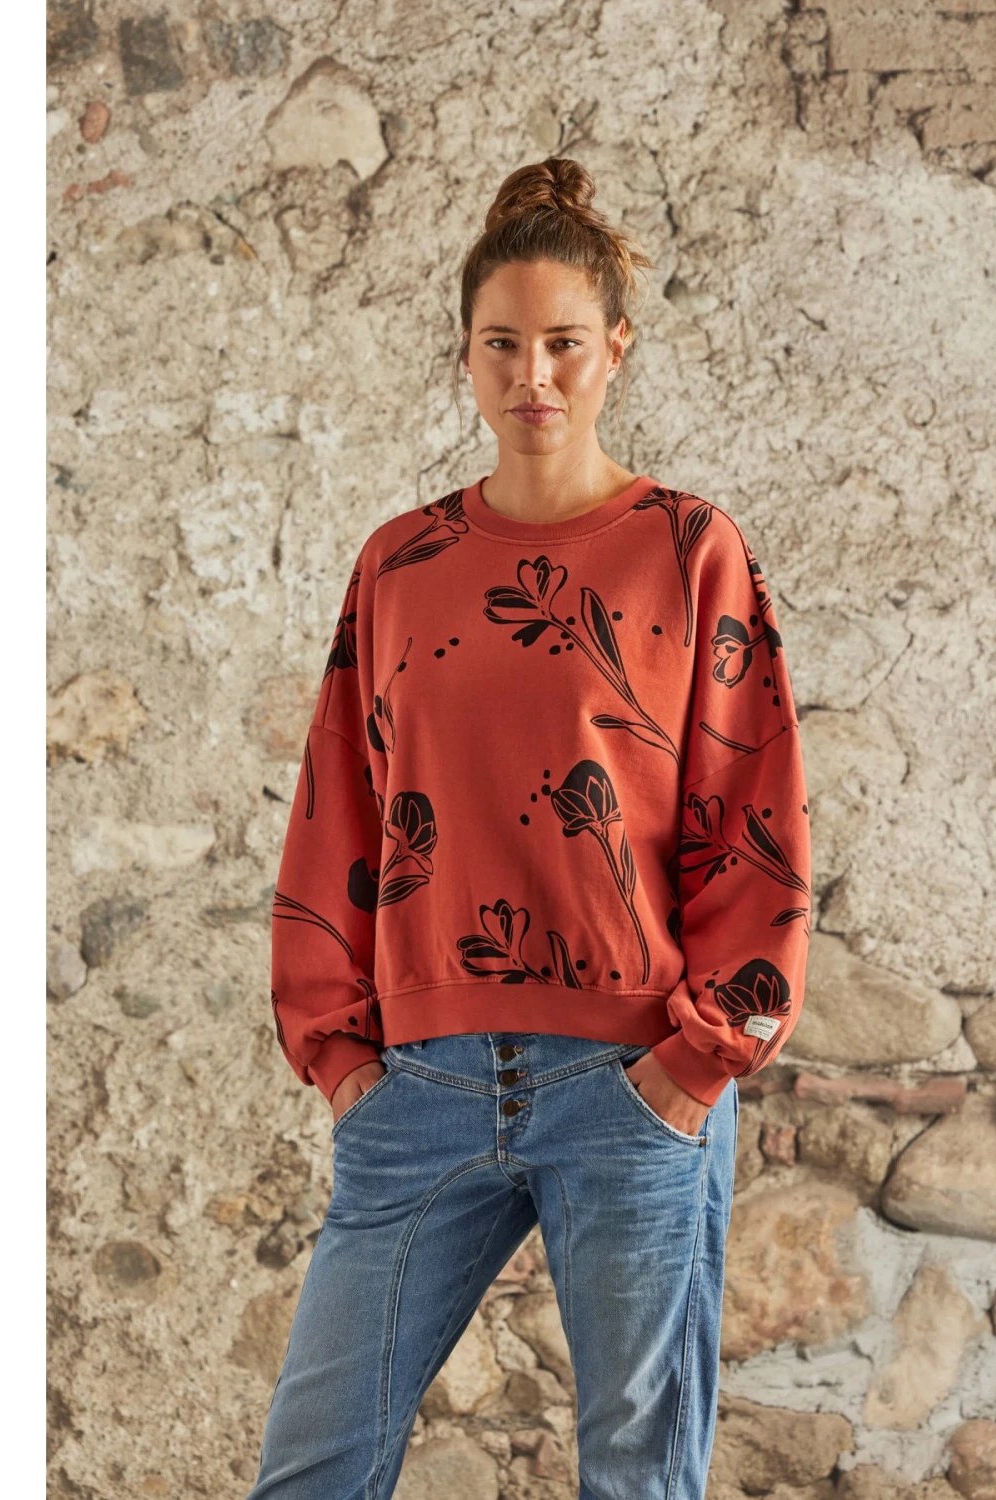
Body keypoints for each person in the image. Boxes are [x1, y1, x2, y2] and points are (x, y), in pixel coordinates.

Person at [247, 157, 812, 1500]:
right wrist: (341, 1054)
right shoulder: (400, 564)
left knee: (635, 1479)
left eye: (563, 342)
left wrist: (695, 1064)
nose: (533, 375)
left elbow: (754, 814)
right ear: (466, 356)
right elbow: (339, 809)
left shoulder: (690, 549)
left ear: (616, 348)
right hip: (422, 1087)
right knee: (311, 1471)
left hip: (632, 1081)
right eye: (502, 344)